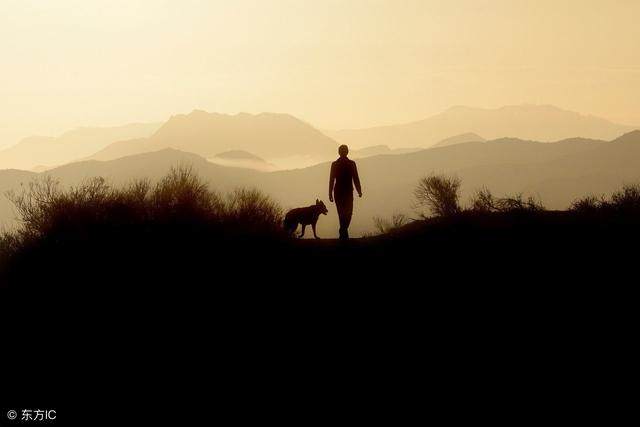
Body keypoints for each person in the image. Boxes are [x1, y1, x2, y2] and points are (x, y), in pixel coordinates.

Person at [329, 145, 362, 239]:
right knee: (346, 213)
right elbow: (356, 178)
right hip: (345, 192)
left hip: (340, 192)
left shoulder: (338, 164)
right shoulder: (349, 164)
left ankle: (342, 231)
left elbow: (355, 178)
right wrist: (359, 190)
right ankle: (344, 234)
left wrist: (330, 193)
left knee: (344, 214)